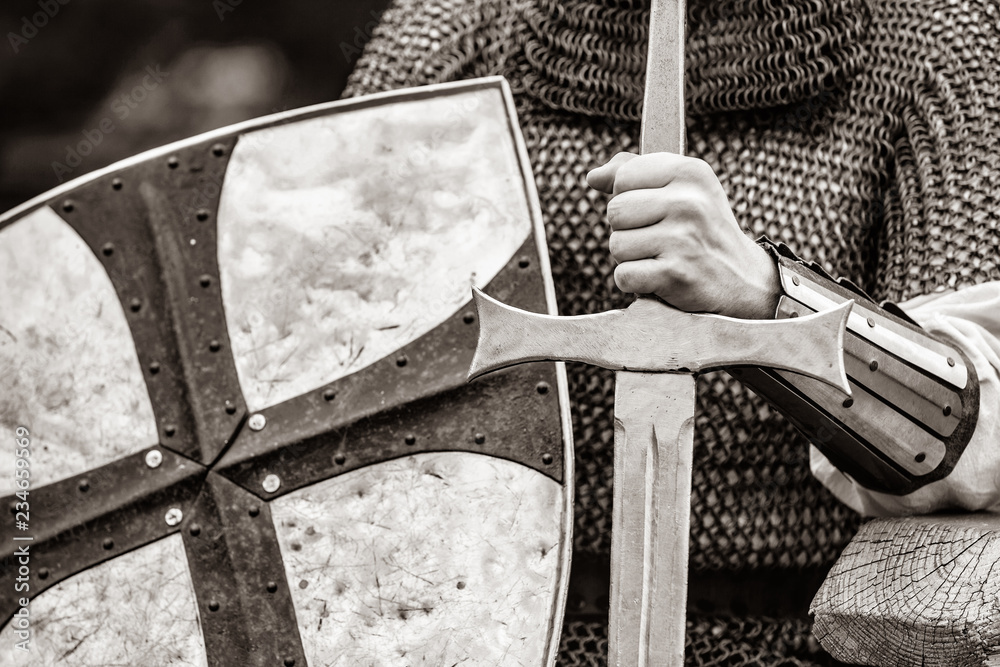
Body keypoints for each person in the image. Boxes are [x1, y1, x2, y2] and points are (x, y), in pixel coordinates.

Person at [345, 0, 1000, 661]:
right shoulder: (448, 36)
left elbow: (975, 434)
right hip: (472, 635)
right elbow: (323, 369)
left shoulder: (927, 48)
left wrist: (762, 290)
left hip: (790, 635)